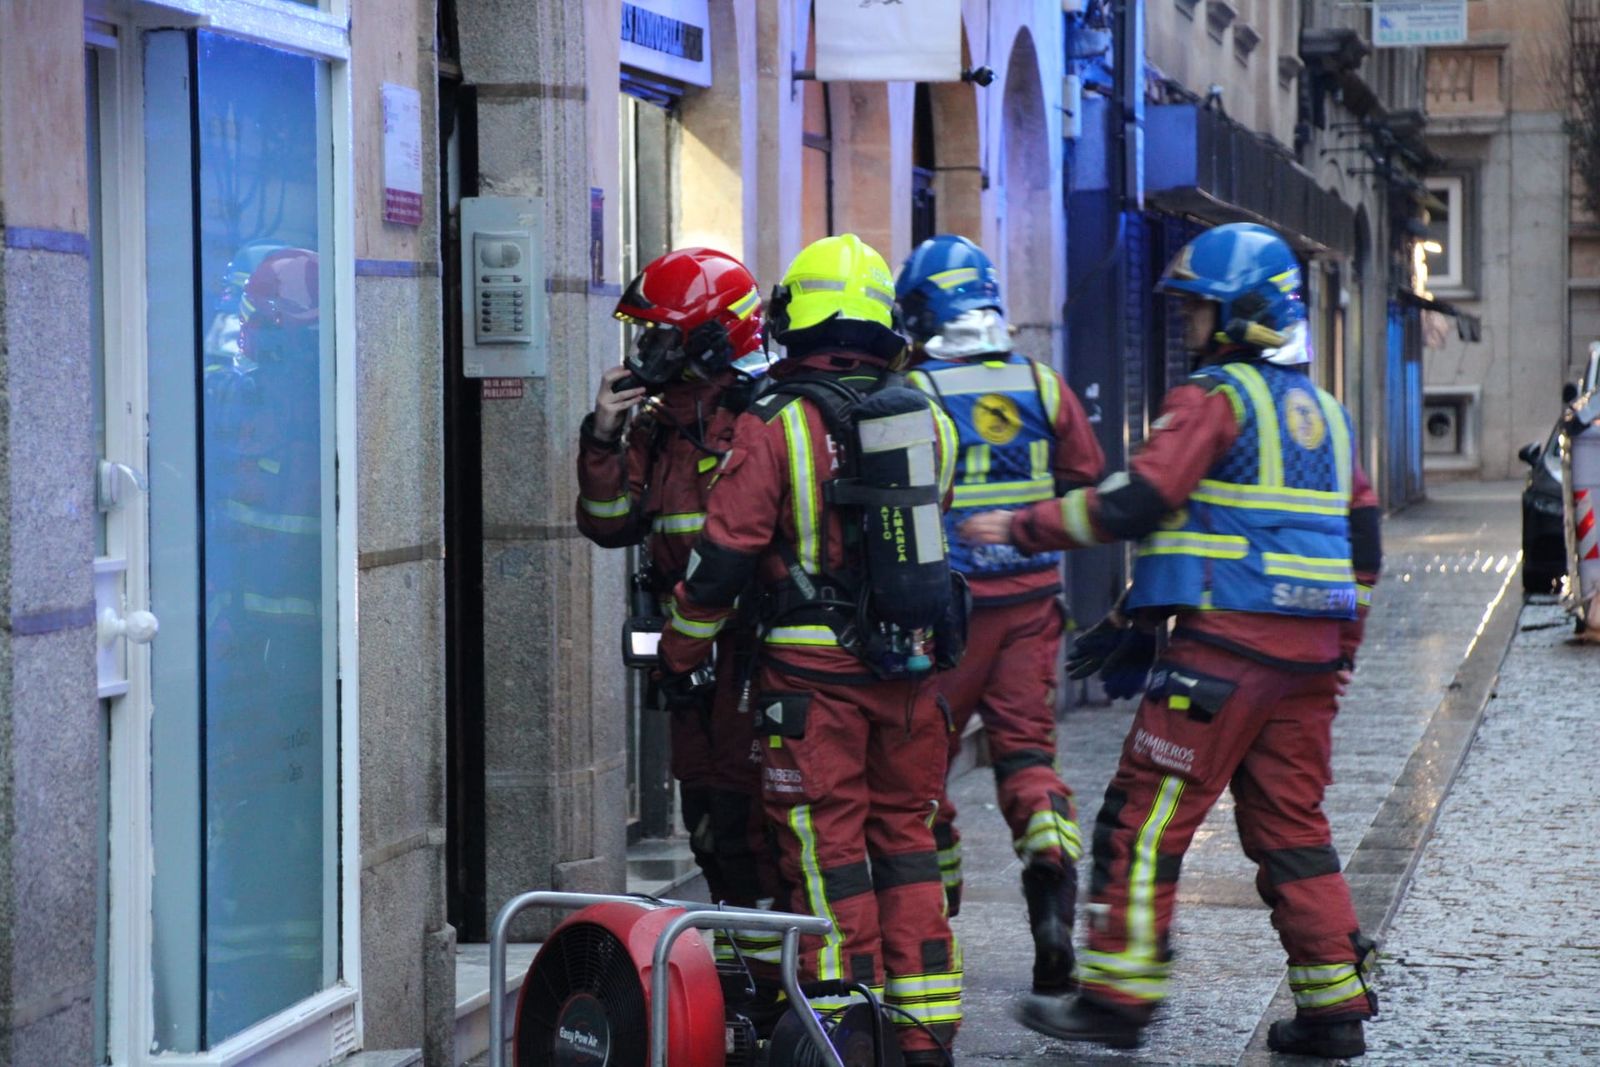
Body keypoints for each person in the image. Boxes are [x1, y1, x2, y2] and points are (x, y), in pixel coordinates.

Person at [963, 222, 1383, 1059]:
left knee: (1141, 820)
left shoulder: (1214, 398)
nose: (1188, 328)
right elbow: (1362, 547)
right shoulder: (1327, 415)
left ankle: (1117, 998)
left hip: (1222, 655)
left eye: (1197, 311)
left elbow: (1139, 501)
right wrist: (1137, 617)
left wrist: (1020, 522)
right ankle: (1333, 1007)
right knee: (1291, 826)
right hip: (1305, 662)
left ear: (1234, 316)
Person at [659, 234, 964, 1064]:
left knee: (827, 851)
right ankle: (925, 1028)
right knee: (907, 839)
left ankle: (839, 1025)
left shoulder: (776, 424)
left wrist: (680, 655)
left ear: (794, 320)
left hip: (810, 681)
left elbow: (722, 558)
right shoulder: (929, 418)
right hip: (911, 671)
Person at [895, 234, 1105, 996]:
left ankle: (932, 914)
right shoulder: (1044, 386)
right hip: (1030, 608)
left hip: (943, 615)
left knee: (919, 767)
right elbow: (1086, 485)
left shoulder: (913, 390)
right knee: (1027, 756)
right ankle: (1050, 881)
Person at [575, 247, 780, 963]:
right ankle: (748, 971)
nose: (647, 351)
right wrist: (603, 431)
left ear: (712, 337)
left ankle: (783, 977)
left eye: (662, 334)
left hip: (760, 656)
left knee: (759, 819)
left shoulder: (759, 416)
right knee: (709, 819)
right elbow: (608, 521)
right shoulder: (658, 426)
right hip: (688, 655)